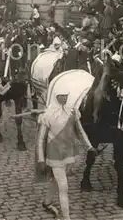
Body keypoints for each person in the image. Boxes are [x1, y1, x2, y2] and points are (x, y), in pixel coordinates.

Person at [35, 92, 96, 220]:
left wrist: (89, 146)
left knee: (57, 181)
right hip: (54, 154)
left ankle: (46, 202)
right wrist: (41, 159)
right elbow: (41, 139)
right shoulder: (48, 115)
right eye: (61, 95)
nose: (65, 98)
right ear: (55, 97)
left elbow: (80, 131)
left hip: (69, 154)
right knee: (64, 187)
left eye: (66, 95)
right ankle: (67, 218)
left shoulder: (73, 112)